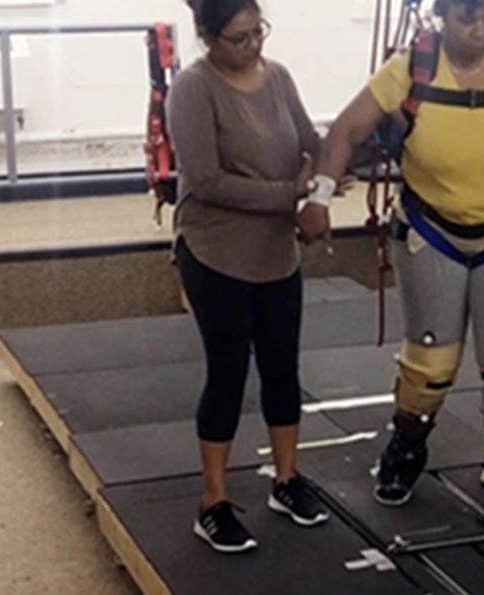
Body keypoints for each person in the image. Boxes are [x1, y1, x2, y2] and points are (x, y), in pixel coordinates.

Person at [305, 0, 484, 548]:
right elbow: (346, 129)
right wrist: (319, 196)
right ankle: (408, 444)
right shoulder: (410, 66)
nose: (479, 30)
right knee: (431, 362)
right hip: (430, 228)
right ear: (443, 15)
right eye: (467, 18)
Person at [167, 0, 334, 554]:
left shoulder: (278, 76)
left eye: (258, 31)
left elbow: (310, 143)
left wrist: (323, 183)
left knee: (283, 368)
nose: (253, 45)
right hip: (215, 252)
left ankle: (286, 480)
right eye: (240, 38)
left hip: (275, 254)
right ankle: (212, 502)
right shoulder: (193, 90)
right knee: (229, 372)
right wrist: (293, 194)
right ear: (209, 37)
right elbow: (208, 180)